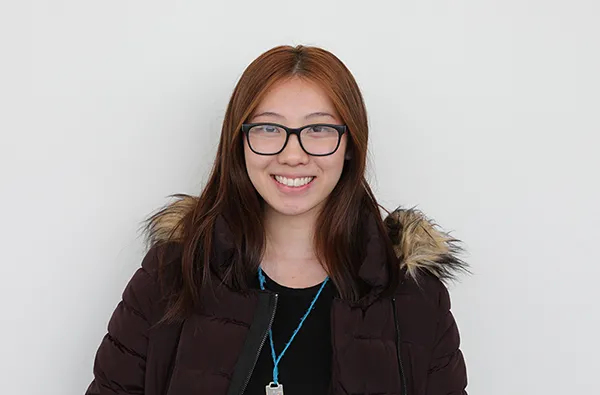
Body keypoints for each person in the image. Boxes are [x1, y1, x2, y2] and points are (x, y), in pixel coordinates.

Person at [85, 44, 468, 395]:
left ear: (350, 144)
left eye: (318, 129)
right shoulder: (171, 274)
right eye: (269, 128)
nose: (293, 154)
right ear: (239, 142)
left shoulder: (414, 295)